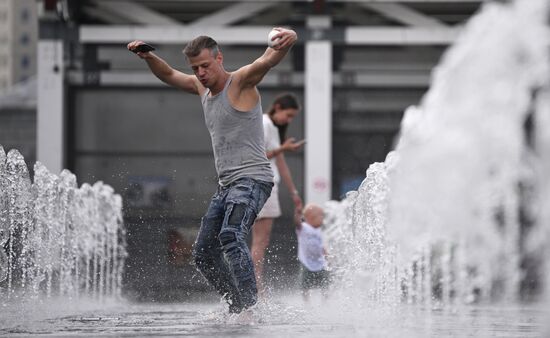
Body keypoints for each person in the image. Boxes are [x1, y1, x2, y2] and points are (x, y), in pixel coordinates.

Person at [127, 27, 298, 314]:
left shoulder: (241, 82)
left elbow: (267, 60)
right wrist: (148, 56)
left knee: (231, 235)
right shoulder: (200, 87)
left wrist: (287, 40)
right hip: (227, 185)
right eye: (196, 68)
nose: (201, 73)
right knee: (203, 253)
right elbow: (169, 75)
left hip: (253, 179)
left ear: (219, 58)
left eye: (206, 65)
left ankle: (249, 310)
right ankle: (236, 305)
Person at [251, 93, 304, 293]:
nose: (288, 120)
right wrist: (282, 148)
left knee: (261, 241)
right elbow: (256, 155)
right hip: (263, 184)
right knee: (260, 241)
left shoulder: (272, 127)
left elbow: (281, 164)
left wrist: (294, 193)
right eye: (288, 115)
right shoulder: (264, 124)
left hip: (269, 185)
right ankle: (256, 286)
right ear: (278, 107)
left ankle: (256, 284)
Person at [293, 203, 331, 301]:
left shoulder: (319, 231)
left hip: (320, 262)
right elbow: (297, 223)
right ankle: (306, 302)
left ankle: (325, 300)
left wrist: (326, 254)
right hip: (306, 262)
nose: (323, 219)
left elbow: (321, 245)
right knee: (305, 285)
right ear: (311, 217)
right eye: (321, 216)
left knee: (325, 282)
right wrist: (297, 214)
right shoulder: (304, 228)